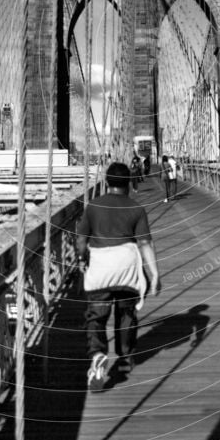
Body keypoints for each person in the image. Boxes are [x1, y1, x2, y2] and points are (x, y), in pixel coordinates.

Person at [76, 161, 161, 391]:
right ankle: (124, 358)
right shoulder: (136, 209)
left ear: (107, 181)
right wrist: (154, 275)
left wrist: (82, 259)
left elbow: (81, 240)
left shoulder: (93, 206)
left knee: (96, 316)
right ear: (129, 183)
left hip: (101, 266)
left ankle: (97, 354)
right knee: (126, 314)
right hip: (126, 266)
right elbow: (144, 243)